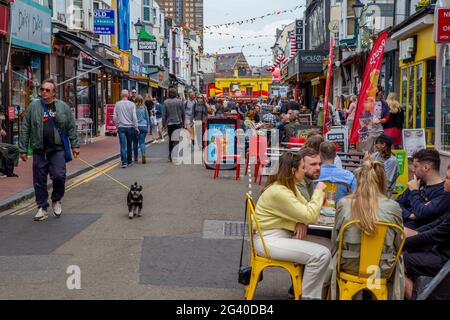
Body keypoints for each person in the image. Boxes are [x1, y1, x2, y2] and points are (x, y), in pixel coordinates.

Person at [254, 152, 330, 299]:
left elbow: (306, 210)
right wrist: (319, 191)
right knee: (321, 255)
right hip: (269, 240)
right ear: (293, 171)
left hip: (280, 235)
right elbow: (310, 215)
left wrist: (299, 221)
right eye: (302, 167)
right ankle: (308, 296)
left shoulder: (288, 187)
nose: (304, 170)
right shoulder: (280, 192)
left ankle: (321, 291)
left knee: (331, 246)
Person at [328, 160, 404, 300]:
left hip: (349, 265)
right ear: (383, 181)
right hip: (381, 268)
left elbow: (335, 240)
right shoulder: (393, 207)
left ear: (358, 180)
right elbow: (398, 244)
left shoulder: (344, 204)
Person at [18, 78, 80, 221]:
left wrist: (75, 145)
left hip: (57, 150)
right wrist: (22, 149)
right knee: (39, 180)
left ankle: (56, 199)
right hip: (39, 150)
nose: (44, 92)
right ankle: (42, 207)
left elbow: (71, 126)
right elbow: (26, 127)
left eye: (47, 90)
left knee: (59, 176)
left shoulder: (63, 107)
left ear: (53, 93)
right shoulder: (34, 107)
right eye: (42, 89)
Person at [403, 165, 450, 300]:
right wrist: (412, 233)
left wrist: (403, 243)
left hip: (443, 259)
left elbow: (434, 234)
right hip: (438, 250)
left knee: (396, 260)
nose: (444, 180)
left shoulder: (443, 197)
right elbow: (435, 225)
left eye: (447, 178)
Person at [396, 149, 450, 229]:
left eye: (415, 166)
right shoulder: (418, 182)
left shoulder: (444, 191)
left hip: (417, 234)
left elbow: (422, 213)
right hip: (401, 227)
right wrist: (409, 215)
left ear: (426, 168)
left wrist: (414, 191)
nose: (413, 170)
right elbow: (397, 203)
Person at [364, 134, 399, 198]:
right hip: (372, 189)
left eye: (377, 143)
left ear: (383, 145)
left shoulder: (392, 161)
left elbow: (386, 182)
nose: (375, 145)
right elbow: (365, 171)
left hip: (383, 194)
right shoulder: (376, 155)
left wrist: (368, 163)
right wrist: (366, 162)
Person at [114, 90, 139, 168]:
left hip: (121, 127)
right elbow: (134, 117)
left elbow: (114, 117)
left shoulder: (117, 104)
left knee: (122, 145)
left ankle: (124, 162)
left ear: (121, 95)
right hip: (130, 127)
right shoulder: (132, 104)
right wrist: (136, 127)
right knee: (129, 144)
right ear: (128, 95)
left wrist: (117, 125)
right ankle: (129, 161)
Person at [163, 87, 185, 162]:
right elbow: (183, 113)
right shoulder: (179, 102)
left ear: (169, 93)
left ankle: (170, 155)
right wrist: (183, 122)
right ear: (176, 94)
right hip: (178, 123)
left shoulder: (165, 102)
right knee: (176, 140)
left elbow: (164, 115)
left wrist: (163, 125)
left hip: (170, 124)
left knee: (171, 140)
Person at [132, 95, 150, 164]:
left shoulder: (134, 108)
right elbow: (147, 118)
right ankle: (143, 154)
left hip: (136, 126)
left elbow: (132, 118)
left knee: (135, 143)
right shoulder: (145, 108)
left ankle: (136, 158)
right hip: (144, 126)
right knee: (142, 142)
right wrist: (148, 127)